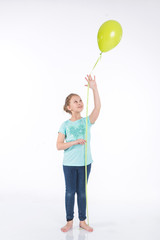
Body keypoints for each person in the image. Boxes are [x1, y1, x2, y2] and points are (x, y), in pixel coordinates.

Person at [56, 74, 101, 232]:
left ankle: (82, 221)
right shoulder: (65, 125)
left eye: (80, 100)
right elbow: (59, 146)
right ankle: (69, 221)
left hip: (85, 164)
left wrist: (94, 88)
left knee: (82, 192)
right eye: (75, 101)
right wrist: (75, 142)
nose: (80, 103)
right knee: (70, 192)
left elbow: (97, 108)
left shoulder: (86, 121)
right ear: (69, 107)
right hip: (69, 164)